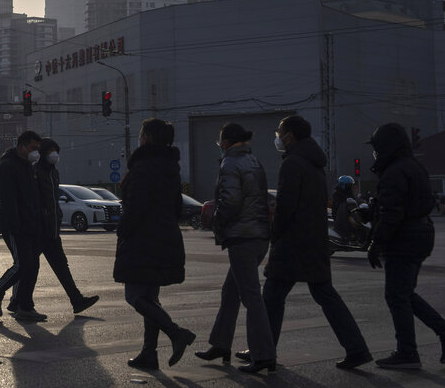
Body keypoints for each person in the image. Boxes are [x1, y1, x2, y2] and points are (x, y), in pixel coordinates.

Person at [260, 115, 372, 370]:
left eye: (279, 133)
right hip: (314, 239)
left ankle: (263, 350)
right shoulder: (314, 163)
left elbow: (286, 206)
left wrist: (275, 233)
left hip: (292, 242)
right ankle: (357, 348)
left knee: (273, 295)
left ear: (289, 136)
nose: (277, 137)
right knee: (325, 294)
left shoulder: (292, 164)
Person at [366, 123, 445, 369]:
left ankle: (409, 352)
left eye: (377, 148)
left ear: (387, 147)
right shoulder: (413, 166)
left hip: (404, 239)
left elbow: (392, 213)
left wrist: (376, 243)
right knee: (404, 294)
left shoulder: (394, 172)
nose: (375, 154)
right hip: (419, 235)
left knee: (397, 295)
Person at [194, 122, 276, 374]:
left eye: (221, 142)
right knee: (231, 291)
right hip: (259, 235)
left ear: (227, 142)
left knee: (251, 296)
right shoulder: (254, 161)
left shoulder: (230, 164)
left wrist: (215, 221)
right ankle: (221, 344)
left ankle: (263, 355)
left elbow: (230, 202)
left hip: (242, 237)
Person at [115, 118, 195, 370]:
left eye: (141, 133)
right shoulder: (171, 167)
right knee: (150, 296)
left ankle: (176, 332)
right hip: (165, 237)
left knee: (135, 295)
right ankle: (149, 353)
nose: (139, 137)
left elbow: (136, 207)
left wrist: (123, 230)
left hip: (143, 240)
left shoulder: (143, 167)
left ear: (147, 137)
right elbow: (176, 207)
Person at [0, 130, 47, 322]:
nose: (36, 152)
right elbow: (9, 200)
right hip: (16, 226)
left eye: (38, 149)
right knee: (23, 265)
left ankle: (25, 306)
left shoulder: (28, 166)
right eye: (32, 148)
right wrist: (15, 226)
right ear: (21, 146)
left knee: (32, 267)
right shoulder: (8, 166)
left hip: (32, 226)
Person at [33, 138, 99, 315]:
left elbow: (54, 200)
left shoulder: (54, 173)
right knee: (26, 267)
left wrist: (57, 218)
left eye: (56, 151)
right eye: (50, 151)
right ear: (43, 153)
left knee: (61, 266)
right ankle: (2, 293)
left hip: (53, 230)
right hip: (40, 230)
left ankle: (76, 300)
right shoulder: (36, 172)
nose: (54, 155)